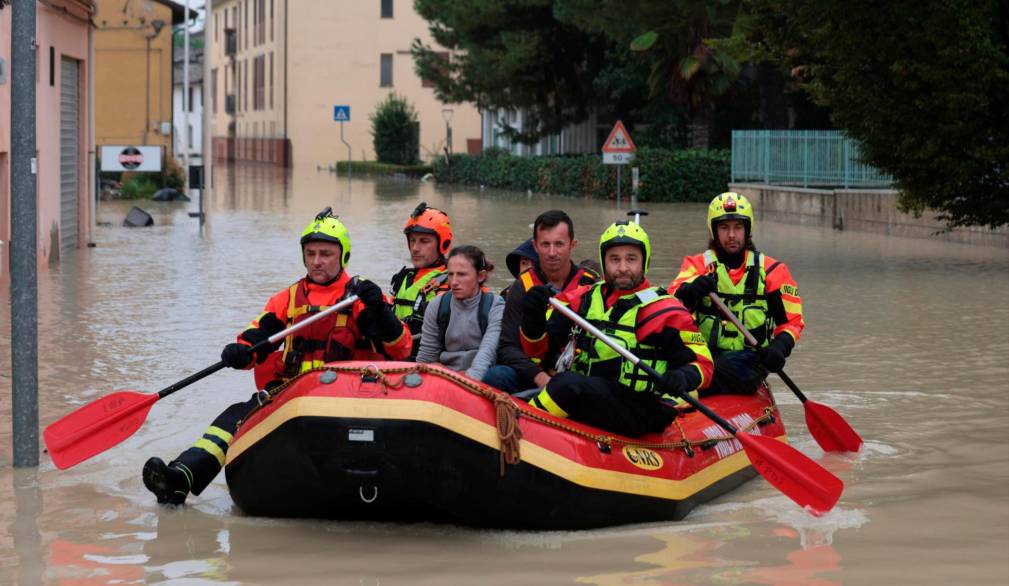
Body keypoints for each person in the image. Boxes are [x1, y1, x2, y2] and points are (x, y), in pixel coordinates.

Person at [142, 208, 412, 505]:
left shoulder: (362, 297)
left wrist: (380, 311)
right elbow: (256, 336)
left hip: (349, 395)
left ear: (343, 255)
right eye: (310, 253)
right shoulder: (288, 299)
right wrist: (240, 351)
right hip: (292, 393)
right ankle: (182, 477)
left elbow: (400, 349)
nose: (317, 261)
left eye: (326, 253)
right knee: (236, 416)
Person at [520, 221, 714, 438]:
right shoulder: (578, 300)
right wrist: (533, 317)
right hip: (593, 396)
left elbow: (704, 365)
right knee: (536, 383)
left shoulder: (667, 311)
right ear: (604, 262)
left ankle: (522, 431)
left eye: (631, 259)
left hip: (641, 407)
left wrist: (682, 376)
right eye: (614, 259)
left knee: (567, 385)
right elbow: (536, 353)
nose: (622, 268)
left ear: (644, 262)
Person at [670, 192, 804, 395]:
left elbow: (792, 322)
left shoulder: (772, 271)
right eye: (724, 227)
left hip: (749, 360)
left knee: (725, 367)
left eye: (738, 227)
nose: (731, 235)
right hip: (705, 355)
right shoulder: (697, 265)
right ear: (714, 230)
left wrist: (779, 348)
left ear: (747, 230)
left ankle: (688, 387)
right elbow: (672, 304)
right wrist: (692, 290)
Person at [482, 210, 599, 393]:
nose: (552, 253)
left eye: (559, 244)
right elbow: (508, 347)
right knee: (496, 376)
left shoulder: (592, 285)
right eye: (545, 244)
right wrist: (540, 377)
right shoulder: (521, 287)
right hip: (535, 375)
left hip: (576, 376)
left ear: (572, 245)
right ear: (535, 246)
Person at [416, 245, 505, 381]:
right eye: (451, 274)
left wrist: (465, 380)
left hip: (483, 378)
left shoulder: (496, 305)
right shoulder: (436, 306)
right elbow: (425, 358)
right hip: (444, 377)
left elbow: (487, 353)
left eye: (462, 274)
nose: (454, 282)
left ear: (480, 276)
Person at [389, 202, 453, 358]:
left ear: (443, 243)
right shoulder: (402, 278)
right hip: (398, 353)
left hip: (427, 358)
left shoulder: (452, 281)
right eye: (412, 240)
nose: (415, 248)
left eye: (424, 241)